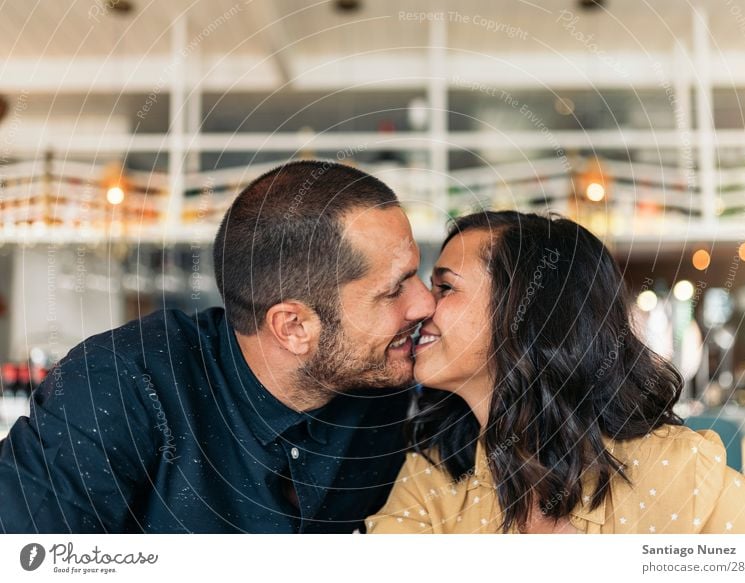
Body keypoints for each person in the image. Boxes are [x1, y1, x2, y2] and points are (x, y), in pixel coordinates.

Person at [0, 160, 435, 533]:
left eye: (418, 275)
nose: (425, 302)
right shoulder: (115, 388)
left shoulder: (389, 377)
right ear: (293, 326)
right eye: (395, 289)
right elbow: (26, 558)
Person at [368, 210, 745, 534]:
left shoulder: (670, 467)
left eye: (445, 286)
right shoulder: (434, 478)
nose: (423, 305)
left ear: (527, 312)